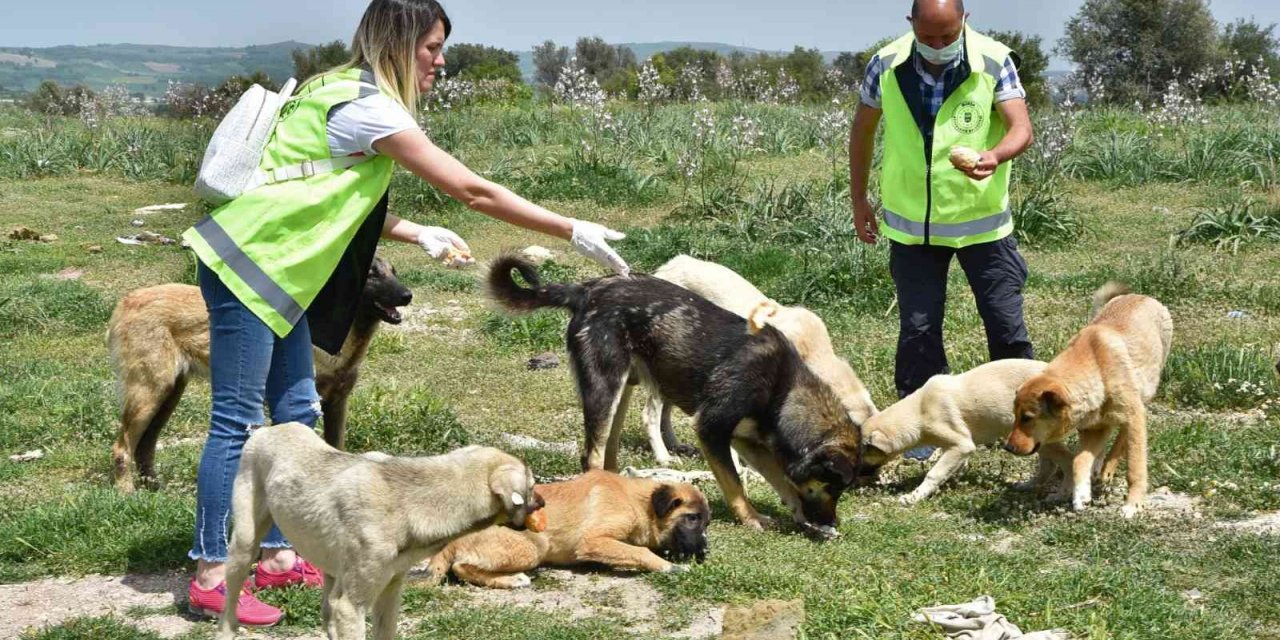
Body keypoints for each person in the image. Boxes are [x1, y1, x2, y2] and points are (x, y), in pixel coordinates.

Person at [180, 0, 629, 626]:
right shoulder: (365, 106)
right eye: (431, 48)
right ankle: (209, 570)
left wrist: (418, 233)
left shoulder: (337, 85)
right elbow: (472, 189)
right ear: (397, 42)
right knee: (237, 418)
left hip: (281, 273)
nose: (440, 62)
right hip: (250, 267)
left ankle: (281, 552)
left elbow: (319, 190)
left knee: (299, 410)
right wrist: (569, 227)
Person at [848, 0, 1035, 459]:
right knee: (918, 331)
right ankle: (920, 432)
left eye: (947, 37)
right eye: (927, 37)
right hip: (914, 231)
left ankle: (1029, 421)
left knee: (1006, 327)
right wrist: (859, 198)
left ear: (964, 23)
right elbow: (863, 130)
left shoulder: (994, 59)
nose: (937, 47)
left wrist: (995, 155)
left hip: (983, 228)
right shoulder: (885, 64)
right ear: (910, 24)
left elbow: (1021, 128)